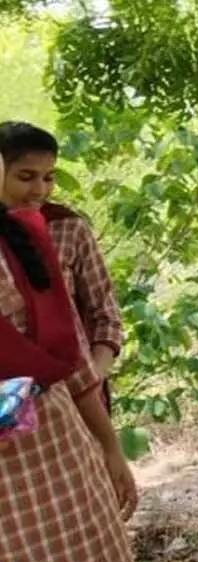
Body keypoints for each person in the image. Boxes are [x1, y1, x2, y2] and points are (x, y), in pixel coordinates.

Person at [0, 153, 178, 562]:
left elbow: (71, 358)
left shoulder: (28, 239)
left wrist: (109, 447)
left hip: (54, 458)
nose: (39, 187)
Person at [0, 121, 124, 412]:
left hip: (76, 396)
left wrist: (91, 376)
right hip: (11, 409)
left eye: (49, 177)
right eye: (26, 177)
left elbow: (106, 314)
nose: (39, 190)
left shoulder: (67, 228)